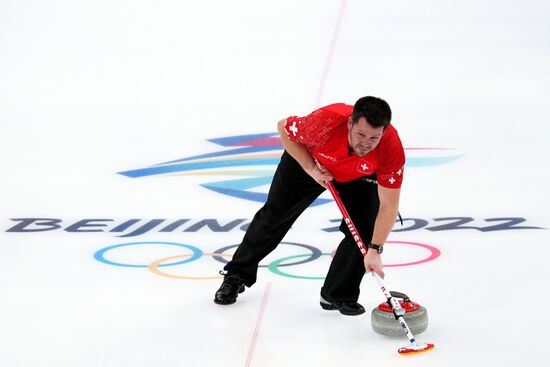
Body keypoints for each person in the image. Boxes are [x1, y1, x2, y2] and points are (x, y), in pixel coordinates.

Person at [213, 96, 405, 316]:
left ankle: (337, 295)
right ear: (350, 123)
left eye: (374, 137)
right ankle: (237, 275)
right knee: (274, 216)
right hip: (310, 161)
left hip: (356, 176)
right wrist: (311, 169)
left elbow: (389, 204)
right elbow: (284, 128)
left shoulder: (391, 146)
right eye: (361, 134)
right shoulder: (325, 123)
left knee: (365, 231)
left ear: (384, 131)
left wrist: (375, 249)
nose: (366, 143)